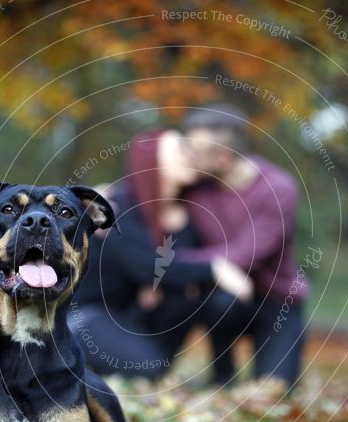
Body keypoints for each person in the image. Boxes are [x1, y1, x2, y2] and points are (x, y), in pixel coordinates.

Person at [70, 129, 252, 381]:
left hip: (143, 317)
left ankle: (223, 375)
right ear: (152, 160)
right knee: (148, 367)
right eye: (179, 149)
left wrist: (170, 282)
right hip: (92, 315)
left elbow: (170, 269)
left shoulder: (192, 212)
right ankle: (67, 354)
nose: (189, 155)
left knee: (198, 302)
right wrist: (213, 268)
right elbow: (146, 266)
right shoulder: (118, 205)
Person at [178, 105, 308, 392]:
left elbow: (244, 254)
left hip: (278, 301)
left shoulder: (278, 189)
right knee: (219, 300)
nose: (185, 156)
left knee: (275, 390)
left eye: (194, 151)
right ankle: (222, 376)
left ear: (223, 158)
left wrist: (178, 262)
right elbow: (148, 190)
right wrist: (109, 194)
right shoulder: (195, 185)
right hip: (227, 295)